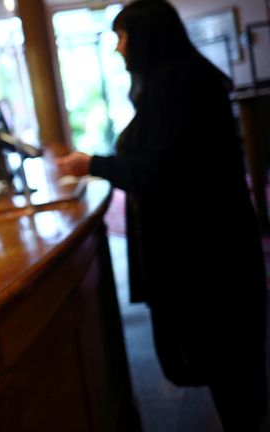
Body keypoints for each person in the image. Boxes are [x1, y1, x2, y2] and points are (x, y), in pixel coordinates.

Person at [57, 1, 267, 429]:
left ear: (147, 37)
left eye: (122, 36)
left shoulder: (177, 87)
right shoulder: (177, 81)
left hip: (205, 252)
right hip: (211, 245)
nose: (118, 49)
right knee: (230, 366)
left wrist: (92, 164)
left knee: (226, 363)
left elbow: (158, 171)